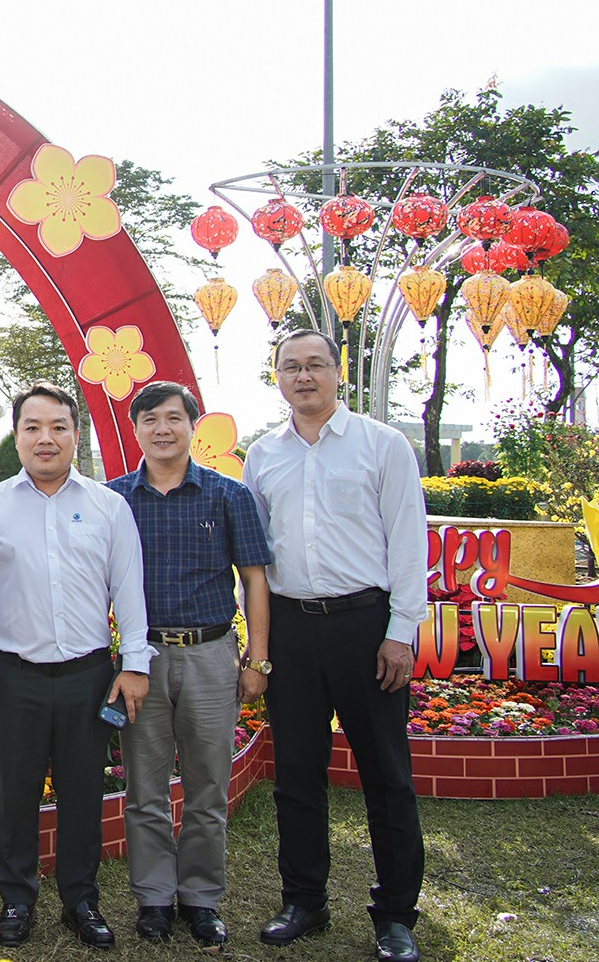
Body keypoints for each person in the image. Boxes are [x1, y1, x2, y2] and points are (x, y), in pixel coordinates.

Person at [244, 329, 426, 962]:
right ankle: (304, 901)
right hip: (291, 628)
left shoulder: (382, 445)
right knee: (296, 773)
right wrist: (259, 646)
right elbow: (255, 560)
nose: (303, 376)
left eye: (315, 365)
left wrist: (399, 632)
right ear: (277, 377)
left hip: (365, 626)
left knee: (386, 774)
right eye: (290, 367)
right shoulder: (263, 455)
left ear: (338, 371)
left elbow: (409, 542)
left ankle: (395, 914)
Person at [0, 380, 150, 951]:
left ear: (75, 434)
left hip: (89, 677)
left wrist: (134, 663)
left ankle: (81, 901)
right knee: (16, 793)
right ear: (16, 436)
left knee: (83, 794)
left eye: (58, 427)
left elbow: (129, 590)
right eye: (33, 427)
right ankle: (17, 900)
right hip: (14, 677)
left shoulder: (108, 507)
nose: (46, 438)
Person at [106, 380, 272, 952]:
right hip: (141, 660)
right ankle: (153, 898)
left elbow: (254, 579)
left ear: (192, 425)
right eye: (150, 419)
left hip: (210, 655)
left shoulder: (228, 495)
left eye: (173, 418)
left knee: (207, 787)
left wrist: (258, 658)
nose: (163, 429)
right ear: (136, 430)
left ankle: (201, 899)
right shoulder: (114, 499)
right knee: (144, 788)